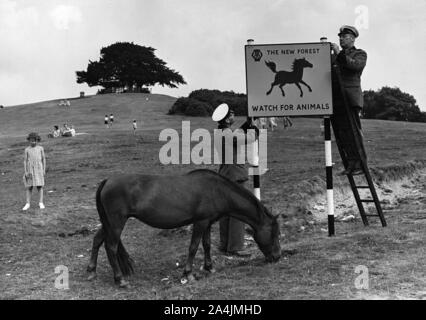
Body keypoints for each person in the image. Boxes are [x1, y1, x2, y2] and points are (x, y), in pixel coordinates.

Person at [212, 103, 257, 257]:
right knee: (238, 211)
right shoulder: (229, 135)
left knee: (225, 211)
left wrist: (247, 124)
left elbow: (238, 132)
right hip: (235, 175)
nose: (233, 116)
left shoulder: (220, 132)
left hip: (225, 174)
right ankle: (236, 246)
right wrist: (254, 127)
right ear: (226, 120)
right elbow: (249, 138)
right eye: (231, 115)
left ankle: (225, 245)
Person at [330, 25, 367, 175]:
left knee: (353, 133)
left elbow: (354, 66)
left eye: (344, 36)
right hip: (337, 99)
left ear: (352, 38)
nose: (340, 39)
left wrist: (338, 53)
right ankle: (351, 164)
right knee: (343, 134)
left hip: (350, 99)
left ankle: (361, 165)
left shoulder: (360, 54)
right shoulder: (335, 57)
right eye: (340, 36)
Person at [22, 132, 46, 210]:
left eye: (35, 140)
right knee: (29, 187)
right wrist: (25, 171)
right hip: (30, 170)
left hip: (39, 169)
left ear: (37, 140)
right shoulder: (27, 150)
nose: (33, 142)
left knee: (40, 186)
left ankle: (41, 202)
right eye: (31, 140)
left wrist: (43, 169)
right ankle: (28, 203)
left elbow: (43, 159)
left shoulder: (40, 148)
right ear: (29, 140)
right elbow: (25, 160)